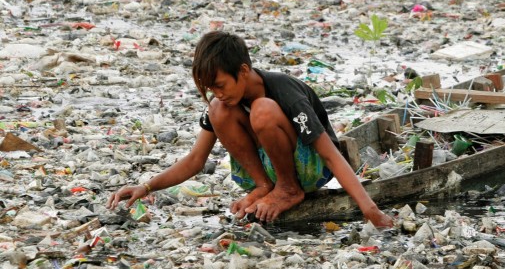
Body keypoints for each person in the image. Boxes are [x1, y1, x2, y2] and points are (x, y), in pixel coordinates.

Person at [107, 31, 394, 228]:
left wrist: (371, 210)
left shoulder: (284, 91)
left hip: (310, 169)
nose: (217, 93)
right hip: (268, 172)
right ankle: (265, 186)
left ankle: (288, 189)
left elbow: (331, 155)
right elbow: (196, 160)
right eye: (211, 88)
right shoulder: (223, 102)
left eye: (220, 85)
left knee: (263, 110)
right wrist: (145, 187)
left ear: (243, 71)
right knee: (217, 110)